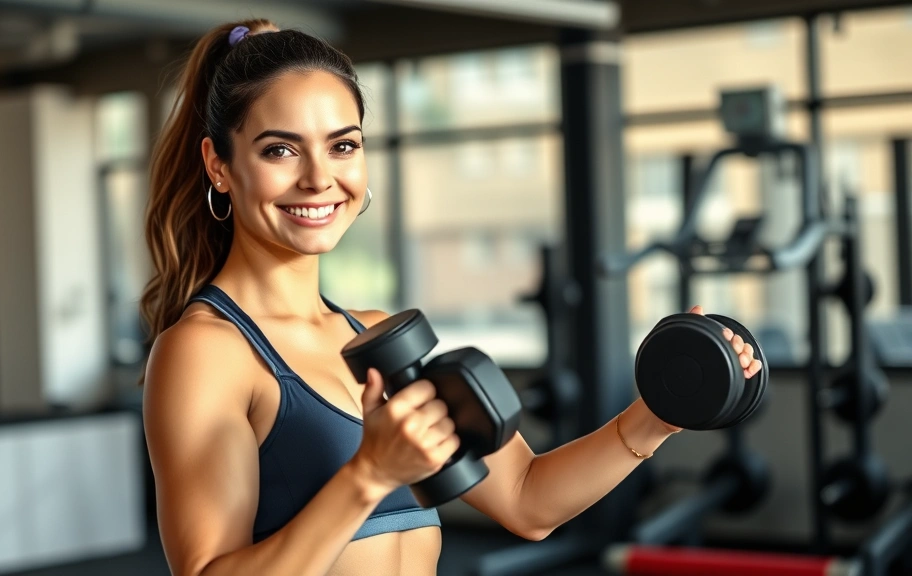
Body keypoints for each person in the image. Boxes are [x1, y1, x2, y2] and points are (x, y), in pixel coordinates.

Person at [140, 19, 763, 576]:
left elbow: (526, 499)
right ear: (219, 165)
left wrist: (655, 416)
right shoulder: (205, 351)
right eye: (280, 149)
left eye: (343, 145)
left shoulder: (377, 337)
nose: (319, 178)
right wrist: (369, 475)